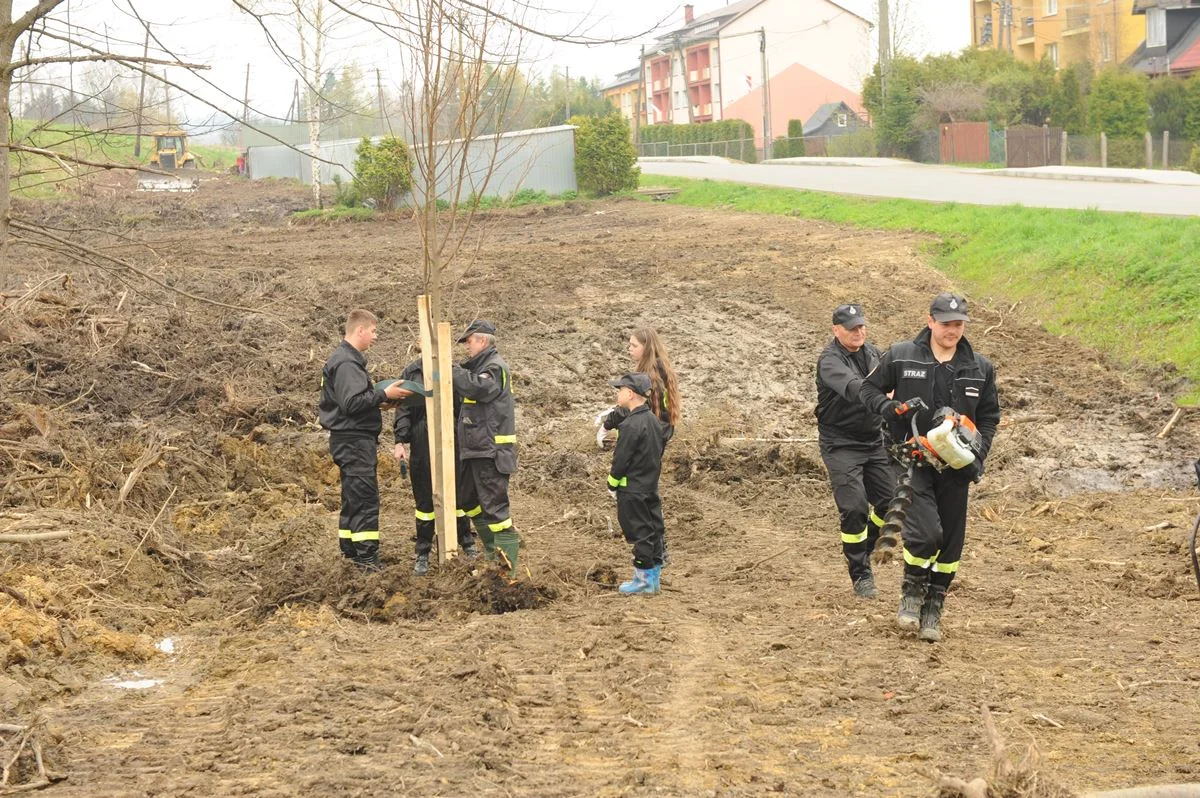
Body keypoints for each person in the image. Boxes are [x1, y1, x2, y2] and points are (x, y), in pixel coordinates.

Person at [859, 292, 1000, 642]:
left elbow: (988, 418)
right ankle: (911, 591)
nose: (953, 330)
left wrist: (976, 456)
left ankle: (933, 606)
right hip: (911, 461)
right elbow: (868, 391)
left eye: (959, 324)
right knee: (926, 533)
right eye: (946, 323)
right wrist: (888, 409)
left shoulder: (979, 368)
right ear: (930, 321)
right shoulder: (902, 355)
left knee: (951, 544)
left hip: (956, 466)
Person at [318, 309, 411, 570]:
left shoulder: (345, 360)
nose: (375, 336)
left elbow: (351, 403)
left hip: (349, 440)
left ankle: (350, 554)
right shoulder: (347, 363)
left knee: (353, 498)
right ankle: (367, 560)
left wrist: (378, 404)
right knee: (365, 501)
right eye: (373, 331)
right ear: (359, 330)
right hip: (354, 442)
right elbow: (351, 403)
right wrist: (383, 394)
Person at [815, 303, 896, 600]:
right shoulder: (830, 361)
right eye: (851, 328)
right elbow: (855, 389)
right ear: (836, 330)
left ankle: (868, 542)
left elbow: (896, 373)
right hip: (840, 443)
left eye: (861, 326)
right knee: (854, 508)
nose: (858, 332)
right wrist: (883, 396)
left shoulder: (874, 353)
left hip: (873, 439)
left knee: (889, 503)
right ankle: (860, 573)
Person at [600, 326, 681, 567]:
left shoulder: (652, 373)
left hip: (655, 433)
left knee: (643, 492)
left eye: (634, 345)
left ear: (646, 347)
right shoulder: (658, 367)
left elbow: (633, 407)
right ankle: (658, 551)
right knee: (648, 490)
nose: (629, 349)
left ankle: (656, 552)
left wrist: (609, 422)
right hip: (660, 430)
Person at [393, 350, 478, 576]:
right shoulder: (412, 372)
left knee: (458, 494)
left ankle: (466, 541)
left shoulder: (454, 371)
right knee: (424, 500)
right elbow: (403, 409)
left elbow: (466, 408)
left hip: (452, 438)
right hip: (422, 439)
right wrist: (400, 440)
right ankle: (423, 550)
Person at [451, 319, 520, 576]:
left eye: (468, 341)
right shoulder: (480, 366)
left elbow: (478, 387)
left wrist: (451, 371)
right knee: (468, 500)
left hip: (491, 452)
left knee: (496, 510)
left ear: (481, 340)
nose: (467, 347)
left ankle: (507, 569)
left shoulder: (494, 367)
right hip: (475, 450)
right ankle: (493, 552)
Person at [607, 372, 667, 595]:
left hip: (632, 489)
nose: (617, 393)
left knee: (639, 532)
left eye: (619, 389)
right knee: (654, 530)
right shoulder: (653, 420)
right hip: (649, 486)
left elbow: (621, 459)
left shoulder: (631, 424)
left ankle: (643, 581)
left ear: (630, 394)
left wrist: (612, 483)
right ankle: (653, 578)